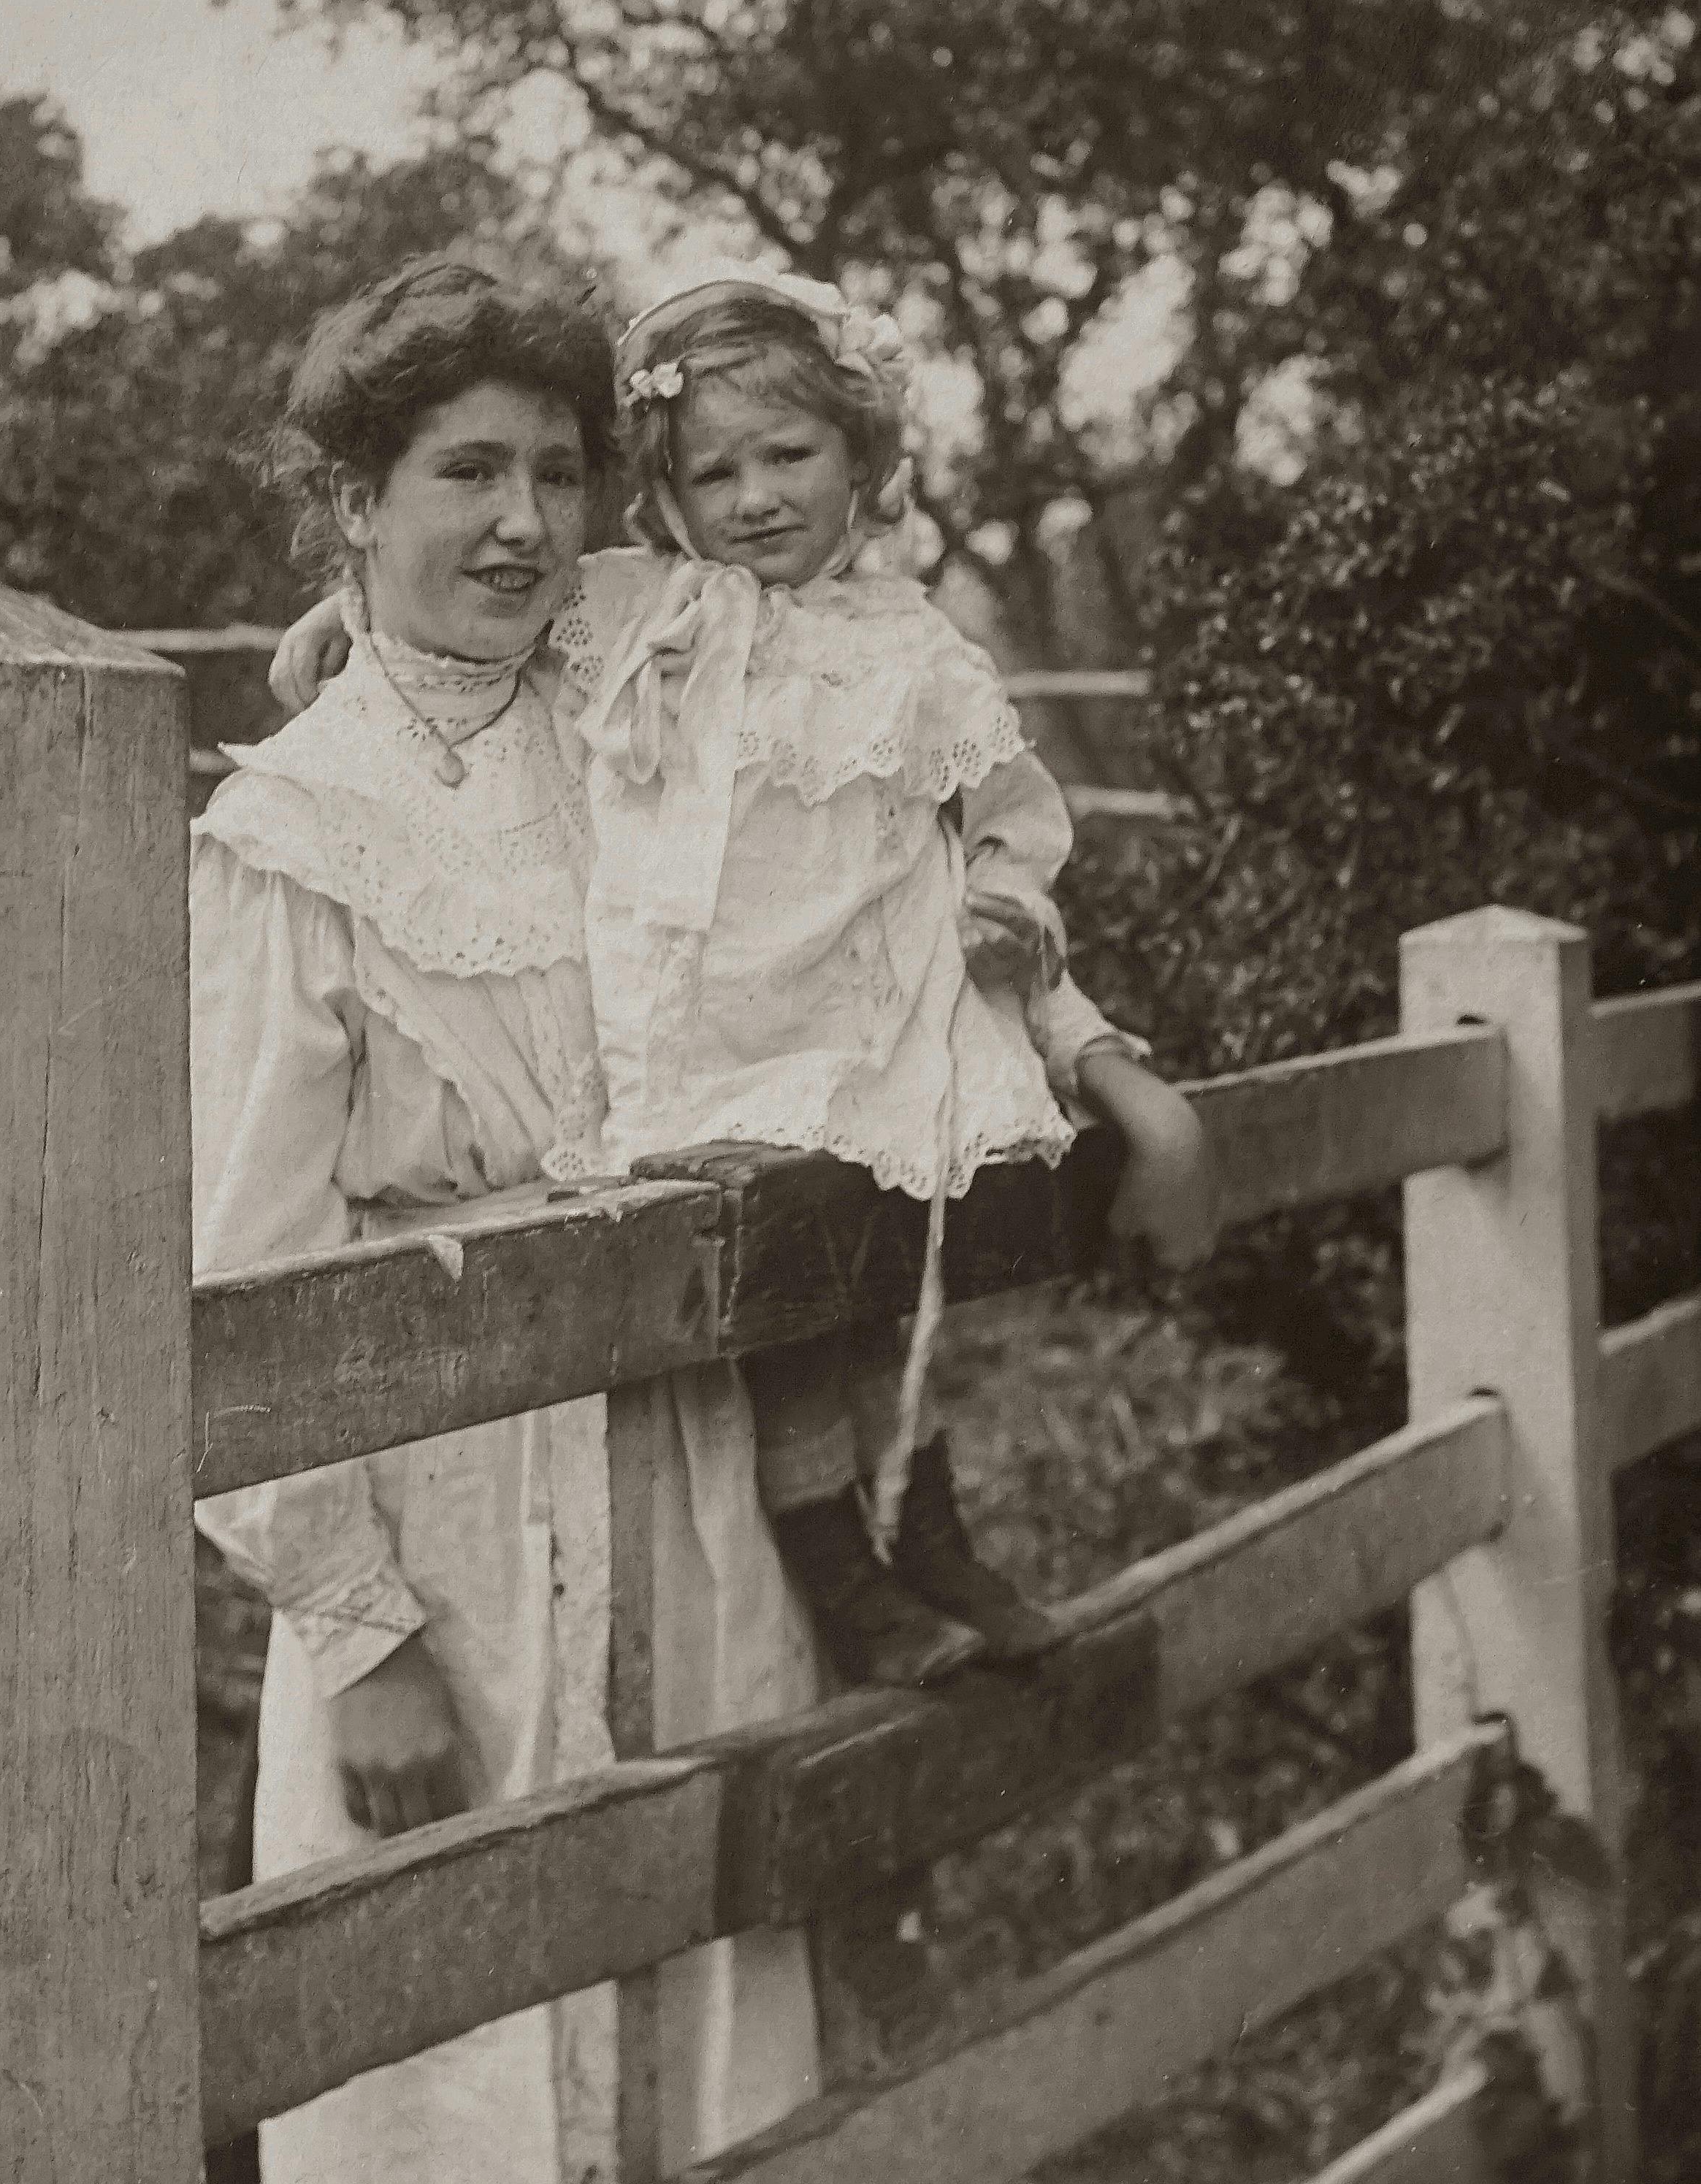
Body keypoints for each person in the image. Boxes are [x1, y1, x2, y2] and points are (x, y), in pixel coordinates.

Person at [191, 256, 844, 2184]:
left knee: (698, 1941)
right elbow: (243, 1278)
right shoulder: (290, 831)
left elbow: (834, 628)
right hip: (433, 1510)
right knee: (443, 2040)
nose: (522, 519)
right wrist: (348, 1625)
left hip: (667, 1449)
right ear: (349, 502)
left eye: (562, 470)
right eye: (463, 469)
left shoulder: (635, 717)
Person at [271, 264, 1213, 1690]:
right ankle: (845, 1569)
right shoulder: (646, 611)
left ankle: (930, 1530)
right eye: (714, 472)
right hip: (709, 1048)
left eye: (790, 456)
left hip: (855, 1023)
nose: (757, 497)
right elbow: (468, 581)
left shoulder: (916, 647)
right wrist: (338, 620)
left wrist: (1043, 955)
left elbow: (996, 833)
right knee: (788, 1305)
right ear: (666, 493)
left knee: (880, 1288)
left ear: (864, 461)